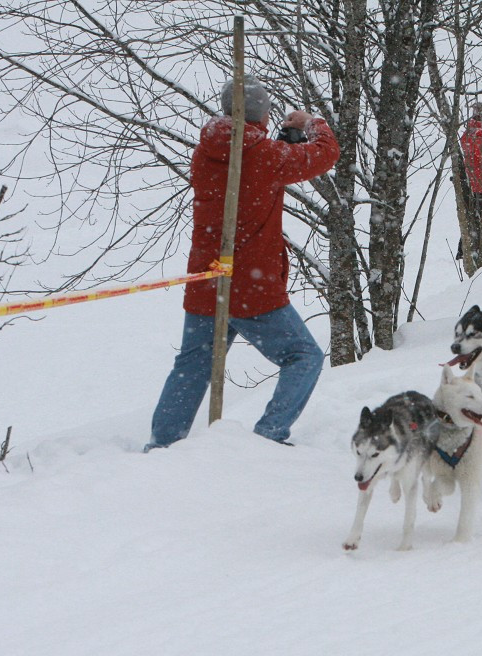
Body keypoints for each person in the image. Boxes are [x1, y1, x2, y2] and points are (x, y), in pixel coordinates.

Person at [146, 78, 340, 449]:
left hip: (207, 280)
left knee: (192, 367)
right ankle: (270, 434)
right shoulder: (265, 156)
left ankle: (162, 445)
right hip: (252, 287)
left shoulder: (206, 152)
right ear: (262, 114)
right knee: (305, 356)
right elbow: (325, 154)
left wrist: (281, 140)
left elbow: (252, 166)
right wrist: (313, 123)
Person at [457, 104, 482, 260]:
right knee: (481, 219)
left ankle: (466, 249)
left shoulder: (469, 133)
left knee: (472, 219)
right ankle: (472, 251)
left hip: (472, 182)